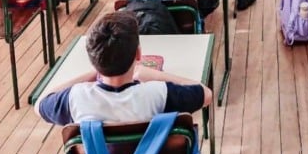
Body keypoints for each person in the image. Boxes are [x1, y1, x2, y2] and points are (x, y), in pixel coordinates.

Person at [35, 11, 212, 125]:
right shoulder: (157, 93)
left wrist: (94, 72)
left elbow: (40, 104)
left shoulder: (77, 98)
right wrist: (155, 75)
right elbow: (206, 93)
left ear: (93, 59)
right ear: (138, 55)